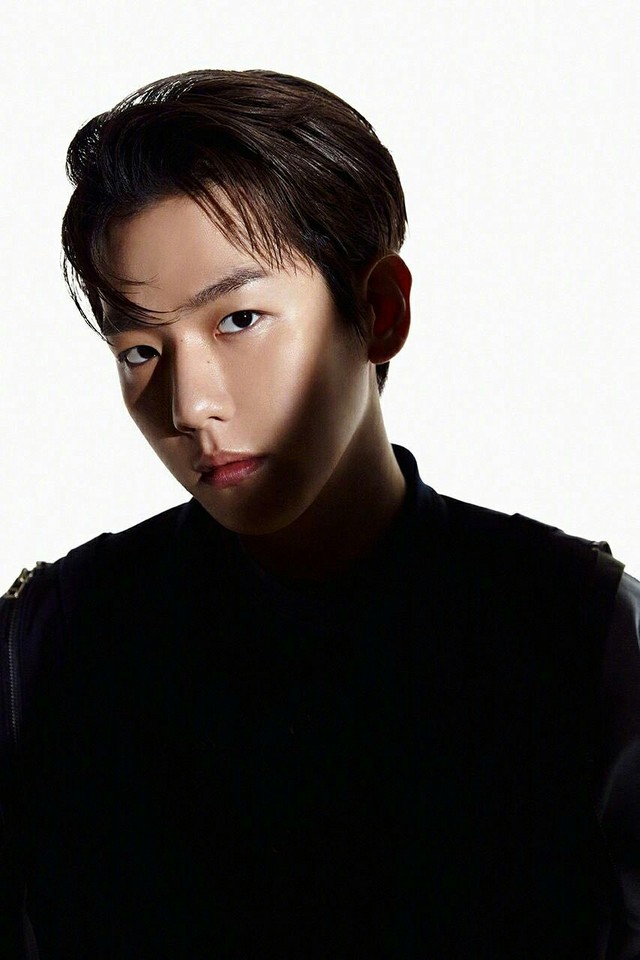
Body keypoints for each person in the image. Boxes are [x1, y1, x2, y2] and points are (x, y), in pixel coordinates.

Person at [1, 69, 638, 960]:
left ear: (379, 311)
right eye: (141, 351)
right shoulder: (53, 645)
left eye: (239, 320)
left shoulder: (576, 629)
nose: (189, 405)